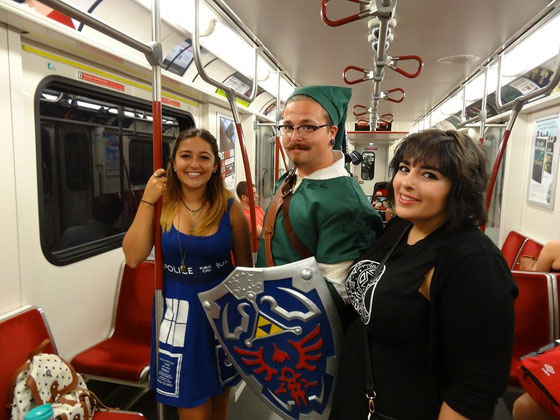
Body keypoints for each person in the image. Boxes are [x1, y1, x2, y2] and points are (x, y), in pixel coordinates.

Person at [330, 129, 517, 420]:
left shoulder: (472, 263)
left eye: (428, 175)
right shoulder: (402, 228)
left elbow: (473, 390)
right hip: (360, 395)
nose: (406, 183)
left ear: (460, 188)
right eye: (404, 169)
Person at [122, 128, 252, 420]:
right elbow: (132, 258)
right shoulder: (160, 206)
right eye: (186, 156)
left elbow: (245, 273)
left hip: (221, 314)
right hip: (178, 316)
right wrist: (147, 199)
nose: (194, 165)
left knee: (220, 406)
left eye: (204, 157)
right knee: (191, 405)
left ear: (215, 165)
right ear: (174, 162)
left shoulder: (230, 209)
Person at [256, 85, 383, 310]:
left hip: (299, 329)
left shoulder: (346, 205)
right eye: (288, 127)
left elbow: (333, 293)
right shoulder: (289, 179)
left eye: (307, 127)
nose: (295, 137)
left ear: (332, 133)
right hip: (266, 308)